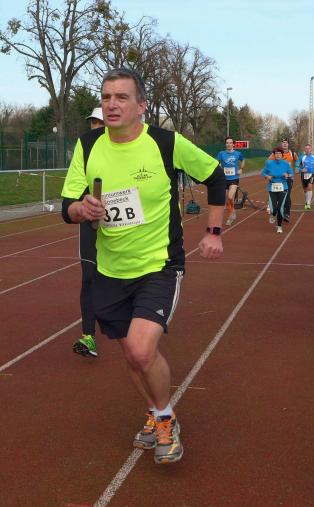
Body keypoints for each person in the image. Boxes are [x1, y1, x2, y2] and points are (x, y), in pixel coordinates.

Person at [60, 67, 226, 465]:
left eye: (122, 97)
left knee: (140, 347)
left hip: (159, 264)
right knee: (133, 357)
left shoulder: (166, 143)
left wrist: (214, 230)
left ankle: (166, 419)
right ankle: (156, 412)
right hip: (110, 269)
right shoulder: (88, 145)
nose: (112, 105)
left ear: (141, 106)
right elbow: (67, 206)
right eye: (106, 97)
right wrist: (82, 209)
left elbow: (216, 176)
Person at [71, 108, 105, 358]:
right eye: (93, 123)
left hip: (122, 229)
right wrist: (80, 206)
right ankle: (88, 335)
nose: (96, 127)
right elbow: (71, 195)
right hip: (90, 223)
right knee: (89, 277)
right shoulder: (83, 150)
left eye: (100, 123)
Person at [262, 147, 293, 234]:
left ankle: (279, 226)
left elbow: (291, 173)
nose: (278, 155)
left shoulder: (286, 163)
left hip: (283, 188)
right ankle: (273, 214)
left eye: (279, 153)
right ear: (274, 155)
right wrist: (267, 176)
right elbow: (263, 172)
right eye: (276, 153)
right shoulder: (269, 163)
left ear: (282, 155)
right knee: (274, 209)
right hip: (272, 188)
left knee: (280, 208)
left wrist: (288, 175)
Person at [217, 136, 245, 225]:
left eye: (230, 143)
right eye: (227, 143)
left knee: (230, 197)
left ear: (233, 144)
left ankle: (231, 214)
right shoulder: (221, 153)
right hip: (224, 179)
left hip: (234, 178)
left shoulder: (238, 154)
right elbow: (217, 163)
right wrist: (219, 169)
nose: (228, 144)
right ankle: (231, 214)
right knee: (227, 199)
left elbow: (243, 160)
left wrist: (241, 169)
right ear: (225, 144)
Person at [269, 139, 297, 221]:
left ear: (288, 144)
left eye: (286, 143)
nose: (284, 144)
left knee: (287, 195)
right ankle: (277, 211)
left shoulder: (292, 153)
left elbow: (297, 161)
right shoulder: (276, 153)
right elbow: (268, 162)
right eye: (283, 143)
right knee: (277, 196)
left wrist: (297, 168)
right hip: (277, 178)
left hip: (287, 178)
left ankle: (287, 213)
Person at [297, 143, 314, 210]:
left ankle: (308, 203)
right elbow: (297, 167)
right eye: (306, 149)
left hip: (312, 174)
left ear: (311, 149)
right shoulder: (302, 157)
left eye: (309, 148)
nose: (307, 150)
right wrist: (301, 170)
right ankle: (306, 201)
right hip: (304, 175)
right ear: (305, 150)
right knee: (305, 189)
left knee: (310, 187)